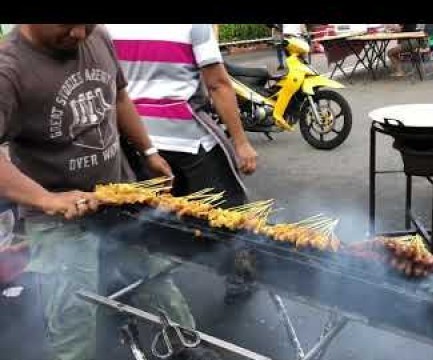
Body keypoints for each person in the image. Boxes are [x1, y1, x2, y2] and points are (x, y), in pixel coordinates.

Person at [0, 24, 194, 360]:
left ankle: (191, 351)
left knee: (159, 283)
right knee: (73, 315)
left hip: (121, 198)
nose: (79, 34)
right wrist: (47, 199)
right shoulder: (9, 69)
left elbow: (117, 96)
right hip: (59, 220)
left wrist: (149, 151)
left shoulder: (97, 35)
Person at [106, 24, 258, 207]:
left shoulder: (105, 28)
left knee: (155, 222)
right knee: (226, 217)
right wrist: (241, 143)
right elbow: (217, 84)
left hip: (134, 141)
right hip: (189, 141)